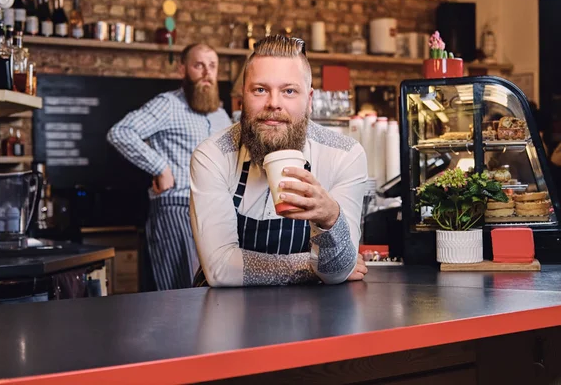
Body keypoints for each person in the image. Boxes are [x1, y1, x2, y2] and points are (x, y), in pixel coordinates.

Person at [189, 35, 369, 287]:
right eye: (260, 90)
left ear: (309, 100)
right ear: (243, 96)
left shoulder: (344, 155)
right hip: (226, 316)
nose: (274, 103)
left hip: (312, 317)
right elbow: (220, 270)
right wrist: (308, 265)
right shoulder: (213, 155)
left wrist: (330, 218)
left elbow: (337, 272)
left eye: (289, 91)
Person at [107, 43, 232, 290]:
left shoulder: (220, 114)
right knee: (183, 291)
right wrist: (160, 168)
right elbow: (120, 132)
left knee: (212, 291)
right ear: (182, 70)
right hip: (177, 207)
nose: (207, 72)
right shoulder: (168, 104)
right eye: (199, 65)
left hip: (216, 213)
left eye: (212, 66)